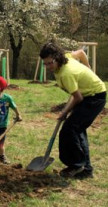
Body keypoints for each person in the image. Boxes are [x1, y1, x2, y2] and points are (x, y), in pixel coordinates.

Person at [39, 41, 106, 179]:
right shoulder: (67, 56)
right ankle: (86, 169)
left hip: (94, 98)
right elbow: (81, 53)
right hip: (87, 95)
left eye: (50, 63)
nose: (47, 66)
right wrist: (88, 69)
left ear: (57, 57)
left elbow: (77, 97)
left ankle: (76, 165)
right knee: (77, 130)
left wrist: (64, 112)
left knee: (70, 130)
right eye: (45, 63)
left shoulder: (66, 73)